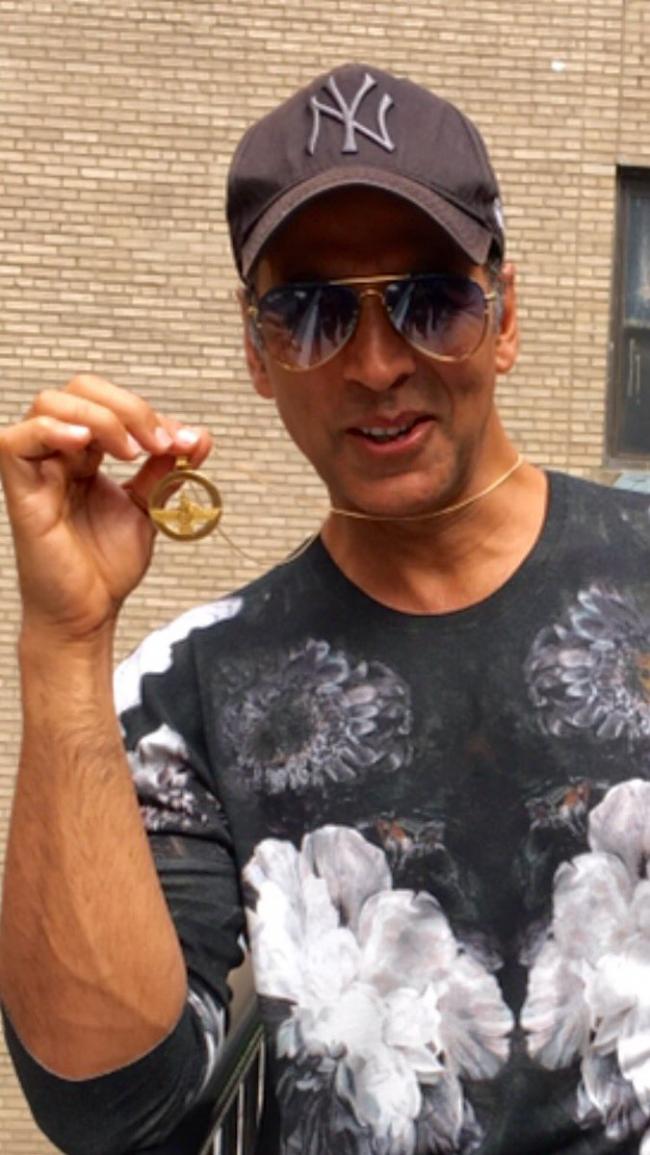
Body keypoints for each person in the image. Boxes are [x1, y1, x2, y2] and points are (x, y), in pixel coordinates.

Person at [1, 60, 650, 1155]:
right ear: (257, 351)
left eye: (431, 299)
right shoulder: (190, 690)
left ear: (503, 316)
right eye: (309, 314)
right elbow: (114, 1108)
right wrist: (64, 642)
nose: (377, 363)